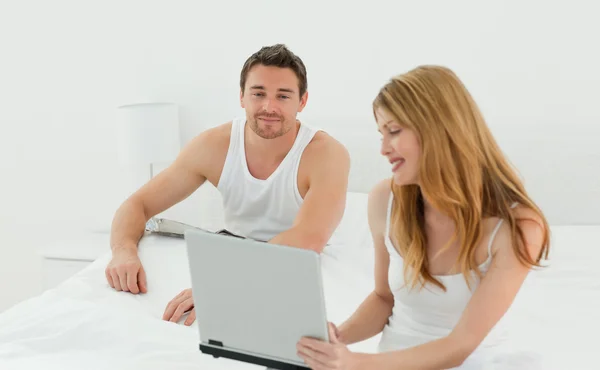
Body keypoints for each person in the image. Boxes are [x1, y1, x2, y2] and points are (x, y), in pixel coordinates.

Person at [297, 65, 550, 369]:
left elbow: (461, 345)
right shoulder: (385, 200)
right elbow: (383, 299)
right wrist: (335, 342)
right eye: (381, 134)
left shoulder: (517, 227)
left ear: (438, 128)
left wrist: (355, 364)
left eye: (393, 131)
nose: (383, 149)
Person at [104, 44, 350, 326]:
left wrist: (224, 284)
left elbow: (308, 238)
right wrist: (123, 251)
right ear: (242, 97)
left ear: (302, 102)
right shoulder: (214, 146)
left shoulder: (326, 154)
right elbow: (138, 204)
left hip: (297, 265)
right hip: (230, 252)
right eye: (258, 94)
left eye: (283, 96)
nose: (269, 107)